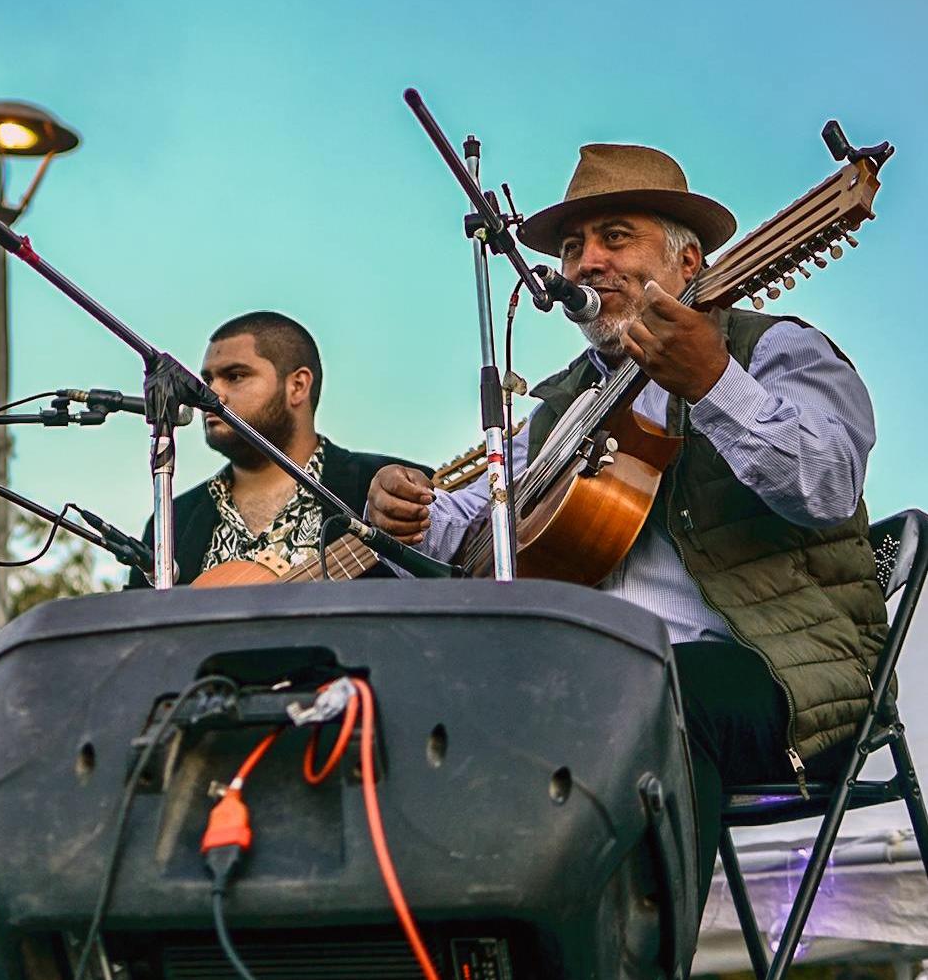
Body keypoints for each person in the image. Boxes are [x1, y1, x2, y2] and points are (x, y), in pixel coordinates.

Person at [364, 143, 887, 919]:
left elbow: (829, 482)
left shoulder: (776, 349)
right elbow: (470, 526)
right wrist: (405, 510)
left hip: (777, 675)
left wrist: (714, 383)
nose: (585, 263)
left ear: (689, 261)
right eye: (573, 248)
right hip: (587, 683)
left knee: (649, 687)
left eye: (615, 236)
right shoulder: (560, 406)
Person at [126, 311, 430, 588]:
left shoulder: (387, 492)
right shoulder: (171, 522)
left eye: (235, 376)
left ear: (297, 386)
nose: (212, 392)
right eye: (207, 379)